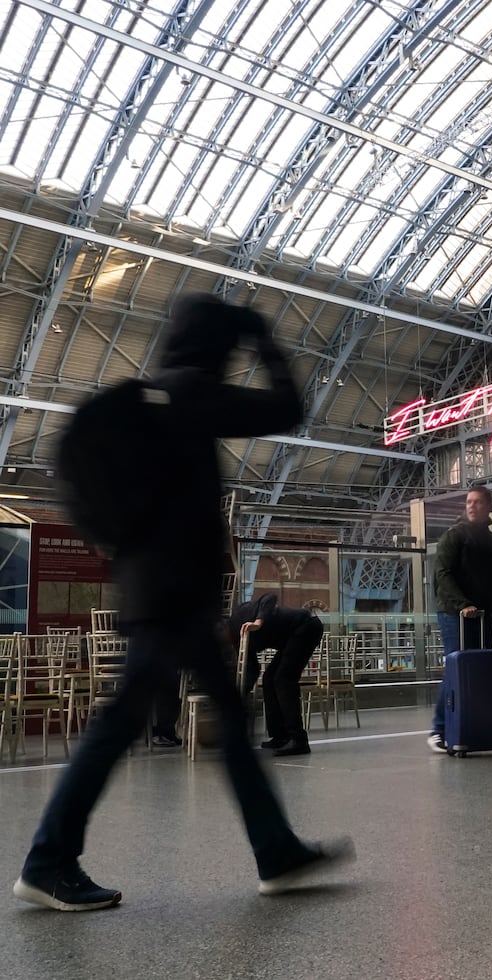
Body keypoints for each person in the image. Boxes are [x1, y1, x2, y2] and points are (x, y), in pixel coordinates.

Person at [13, 293, 354, 912]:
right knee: (123, 723)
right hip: (173, 596)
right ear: (217, 346)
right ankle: (48, 859)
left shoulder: (153, 400)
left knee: (213, 715)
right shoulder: (193, 393)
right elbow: (289, 406)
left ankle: (275, 851)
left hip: (161, 589)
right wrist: (261, 336)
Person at [426, 486, 492, 754]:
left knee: (478, 669)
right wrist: (464, 604)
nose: (472, 506)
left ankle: (470, 724)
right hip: (454, 613)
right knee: (456, 665)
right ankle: (439, 729)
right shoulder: (454, 536)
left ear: (488, 506)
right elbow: (444, 575)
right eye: (469, 502)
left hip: (484, 615)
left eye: (478, 502)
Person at [230, 593, 324, 756]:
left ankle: (298, 740)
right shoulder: (236, 641)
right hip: (291, 637)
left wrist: (258, 622)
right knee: (268, 679)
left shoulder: (240, 617)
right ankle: (280, 736)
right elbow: (252, 670)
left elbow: (269, 597)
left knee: (283, 679)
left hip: (306, 626)